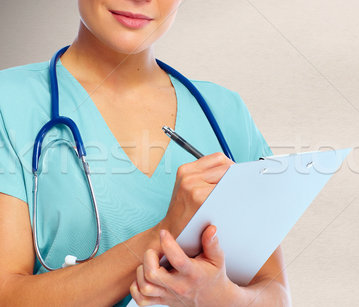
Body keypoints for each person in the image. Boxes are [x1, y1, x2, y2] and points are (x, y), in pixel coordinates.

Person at [0, 0, 290, 305]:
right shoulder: (9, 103)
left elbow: (276, 294)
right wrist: (162, 235)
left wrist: (221, 297)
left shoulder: (226, 113)